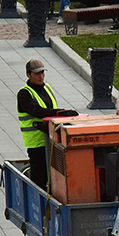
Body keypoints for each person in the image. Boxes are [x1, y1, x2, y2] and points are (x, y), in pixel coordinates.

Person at [17, 60, 77, 190]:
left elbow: (50, 111)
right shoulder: (24, 94)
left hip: (51, 139)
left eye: (42, 73)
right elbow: (37, 111)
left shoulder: (47, 88)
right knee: (39, 178)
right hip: (36, 143)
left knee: (55, 176)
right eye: (37, 73)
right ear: (28, 75)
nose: (41, 76)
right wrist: (61, 113)